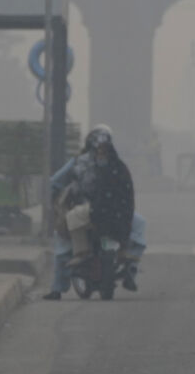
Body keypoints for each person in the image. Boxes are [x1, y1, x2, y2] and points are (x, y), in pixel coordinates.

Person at [42, 125, 137, 300]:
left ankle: (58, 288)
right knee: (138, 229)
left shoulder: (79, 162)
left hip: (93, 211)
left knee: (63, 242)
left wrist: (56, 201)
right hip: (117, 213)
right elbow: (128, 193)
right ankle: (130, 268)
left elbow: (55, 182)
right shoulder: (118, 164)